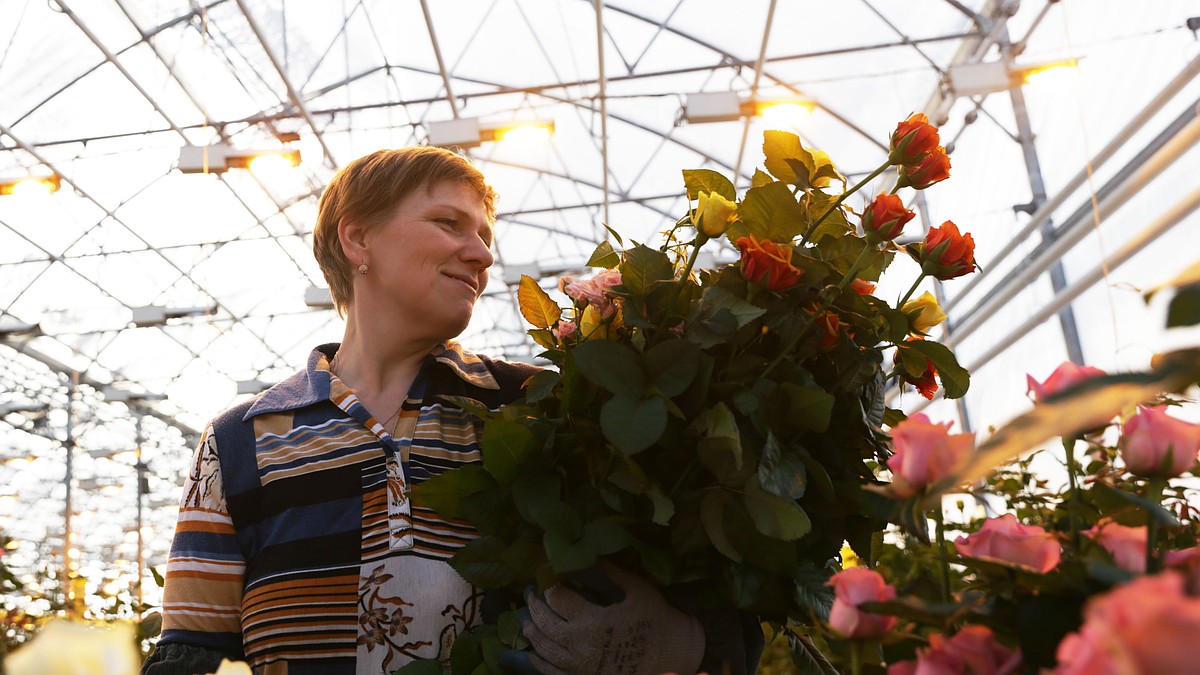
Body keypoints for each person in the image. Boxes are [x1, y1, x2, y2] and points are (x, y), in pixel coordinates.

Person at [142, 147, 717, 675]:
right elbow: (192, 654)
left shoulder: (541, 409)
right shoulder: (242, 441)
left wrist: (678, 644)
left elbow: (719, 602)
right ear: (358, 239)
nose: (483, 253)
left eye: (485, 235)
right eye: (449, 223)